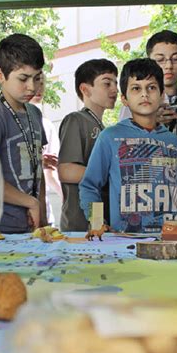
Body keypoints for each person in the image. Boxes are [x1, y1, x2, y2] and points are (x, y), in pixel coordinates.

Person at [80, 58, 177, 233]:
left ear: (162, 94)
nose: (145, 94)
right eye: (136, 88)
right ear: (124, 99)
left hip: (170, 239)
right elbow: (89, 186)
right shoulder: (110, 137)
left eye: (151, 87)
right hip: (124, 241)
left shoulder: (174, 142)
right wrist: (97, 223)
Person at [0, 33, 47, 233]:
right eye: (23, 79)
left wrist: (39, 208)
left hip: (31, 225)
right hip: (0, 229)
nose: (32, 87)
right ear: (0, 75)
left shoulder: (34, 113)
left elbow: (39, 168)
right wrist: (30, 202)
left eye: (37, 78)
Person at [58, 59, 118, 231]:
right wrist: (114, 174)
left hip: (102, 224)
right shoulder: (75, 120)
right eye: (107, 83)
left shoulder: (106, 130)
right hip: (80, 224)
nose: (114, 89)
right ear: (85, 89)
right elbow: (66, 170)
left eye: (115, 82)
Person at [119, 30, 177, 136]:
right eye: (160, 60)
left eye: (175, 59)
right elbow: (122, 140)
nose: (169, 65)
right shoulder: (134, 102)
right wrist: (148, 122)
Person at [30, 73, 62, 225]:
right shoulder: (0, 117)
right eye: (35, 81)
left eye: (42, 83)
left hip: (44, 211)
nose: (38, 88)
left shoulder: (46, 125)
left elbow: (50, 173)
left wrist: (65, 198)